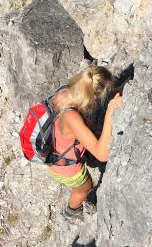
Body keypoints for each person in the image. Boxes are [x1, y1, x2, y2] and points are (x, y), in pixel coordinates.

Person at [48, 62, 123, 220]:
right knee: (84, 188)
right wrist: (109, 115)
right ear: (94, 96)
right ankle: (71, 212)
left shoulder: (65, 92)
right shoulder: (71, 117)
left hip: (57, 150)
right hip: (67, 168)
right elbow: (103, 155)